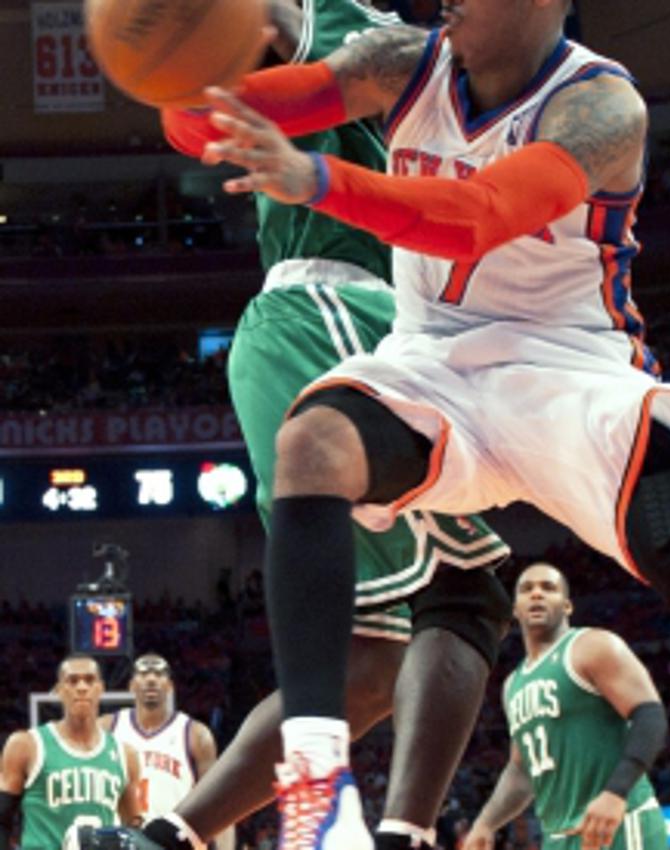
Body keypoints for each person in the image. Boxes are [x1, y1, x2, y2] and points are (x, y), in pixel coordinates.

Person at [163, 2, 670, 848]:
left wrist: (317, 180)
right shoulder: (397, 61)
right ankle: (314, 772)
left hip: (569, 375)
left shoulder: (601, 107)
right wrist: (174, 67)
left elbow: (478, 216)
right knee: (314, 443)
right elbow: (201, 121)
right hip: (433, 364)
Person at [139, 3, 513, 850]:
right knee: (464, 593)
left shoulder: (465, 62)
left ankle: (167, 838)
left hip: (329, 325)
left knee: (371, 667)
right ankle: (398, 831)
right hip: (339, 309)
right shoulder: (350, 13)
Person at [464, 564, 669, 850]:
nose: (536, 594)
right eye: (526, 589)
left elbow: (650, 715)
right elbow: (521, 770)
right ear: (515, 609)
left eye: (548, 588)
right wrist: (485, 823)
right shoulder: (513, 684)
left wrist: (616, 793)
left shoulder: (593, 646)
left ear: (567, 605)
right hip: (558, 837)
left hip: (619, 823)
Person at [0, 655, 143, 850]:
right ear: (59, 690)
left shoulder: (125, 754)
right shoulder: (27, 745)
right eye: (72, 680)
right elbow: (2, 817)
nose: (82, 687)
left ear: (101, 688)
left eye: (90, 680)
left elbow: (134, 828)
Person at [99, 654, 230, 849]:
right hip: (122, 841)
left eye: (159, 674)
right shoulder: (107, 728)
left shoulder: (195, 734)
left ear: (170, 686)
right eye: (143, 674)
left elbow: (218, 802)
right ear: (132, 686)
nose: (151, 679)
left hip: (177, 842)